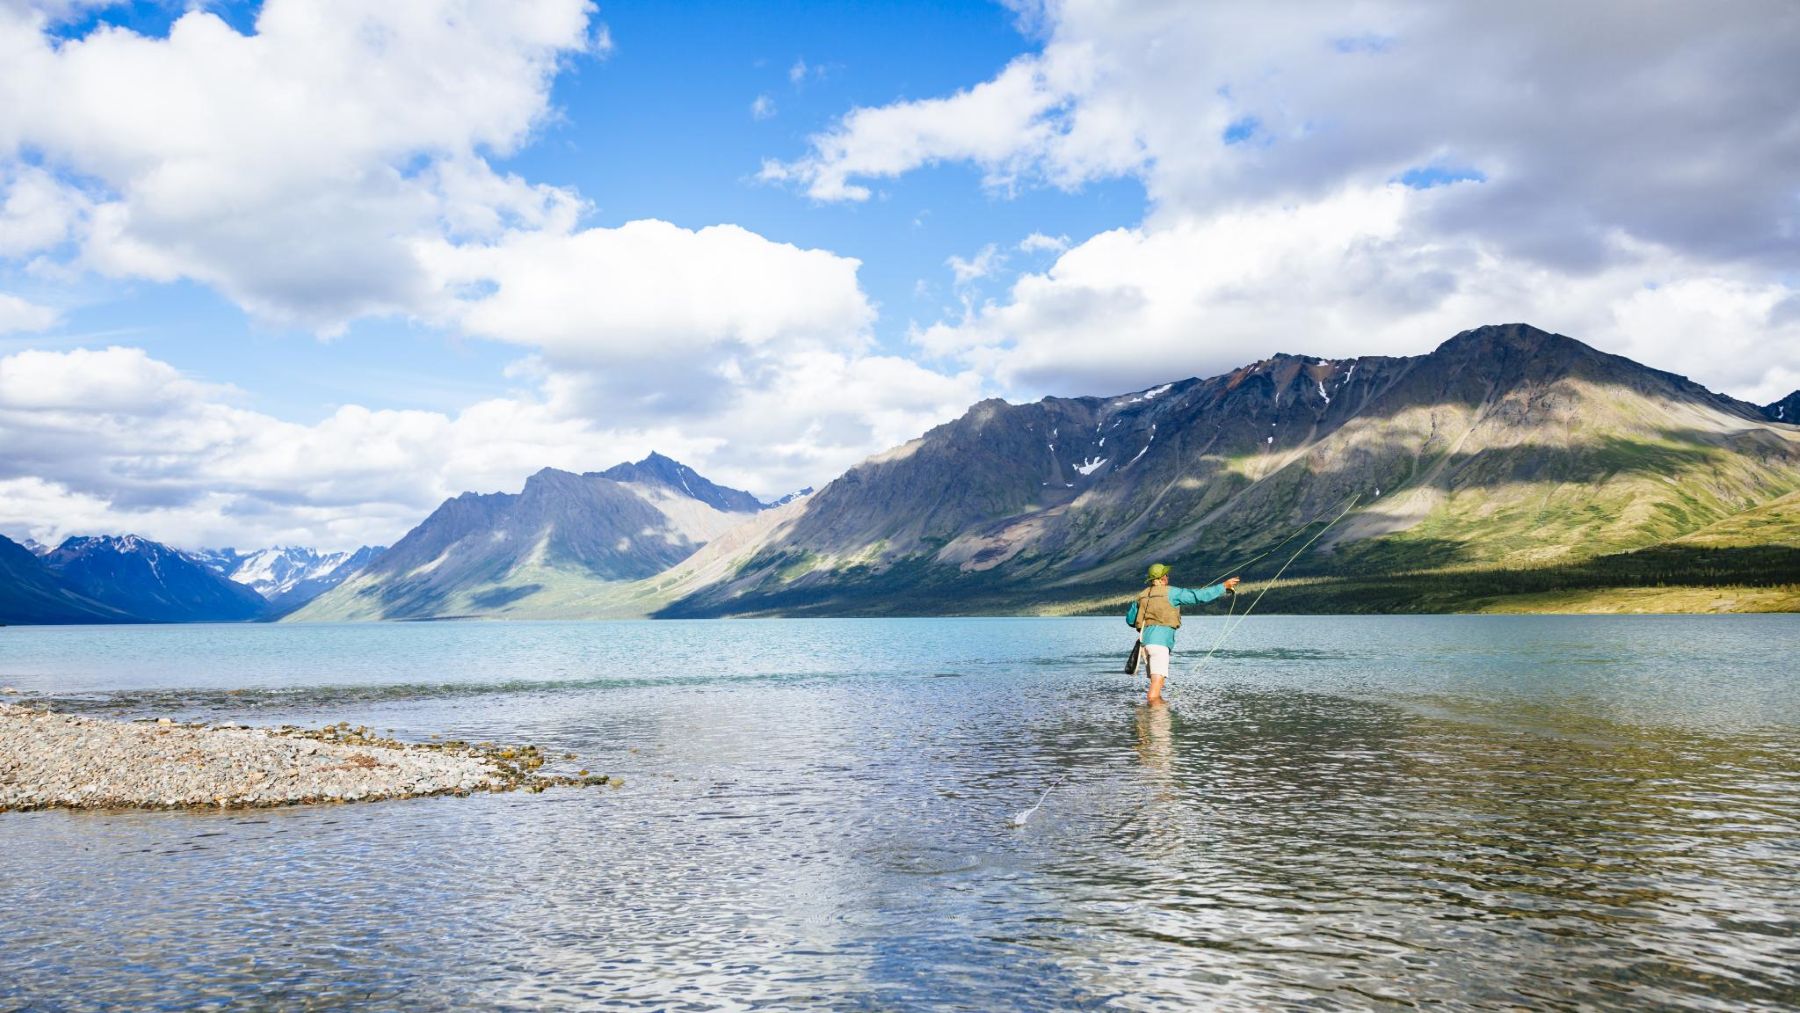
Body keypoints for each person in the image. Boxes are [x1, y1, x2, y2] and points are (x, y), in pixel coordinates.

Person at [1125, 563, 1240, 706]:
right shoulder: (1172, 593)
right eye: (1166, 575)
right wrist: (1224, 586)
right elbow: (1199, 596)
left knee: (1156, 685)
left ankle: (1150, 719)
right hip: (1160, 645)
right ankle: (1157, 721)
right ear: (1162, 578)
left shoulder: (1142, 596)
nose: (1168, 577)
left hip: (1145, 645)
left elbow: (1130, 620)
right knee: (1154, 690)